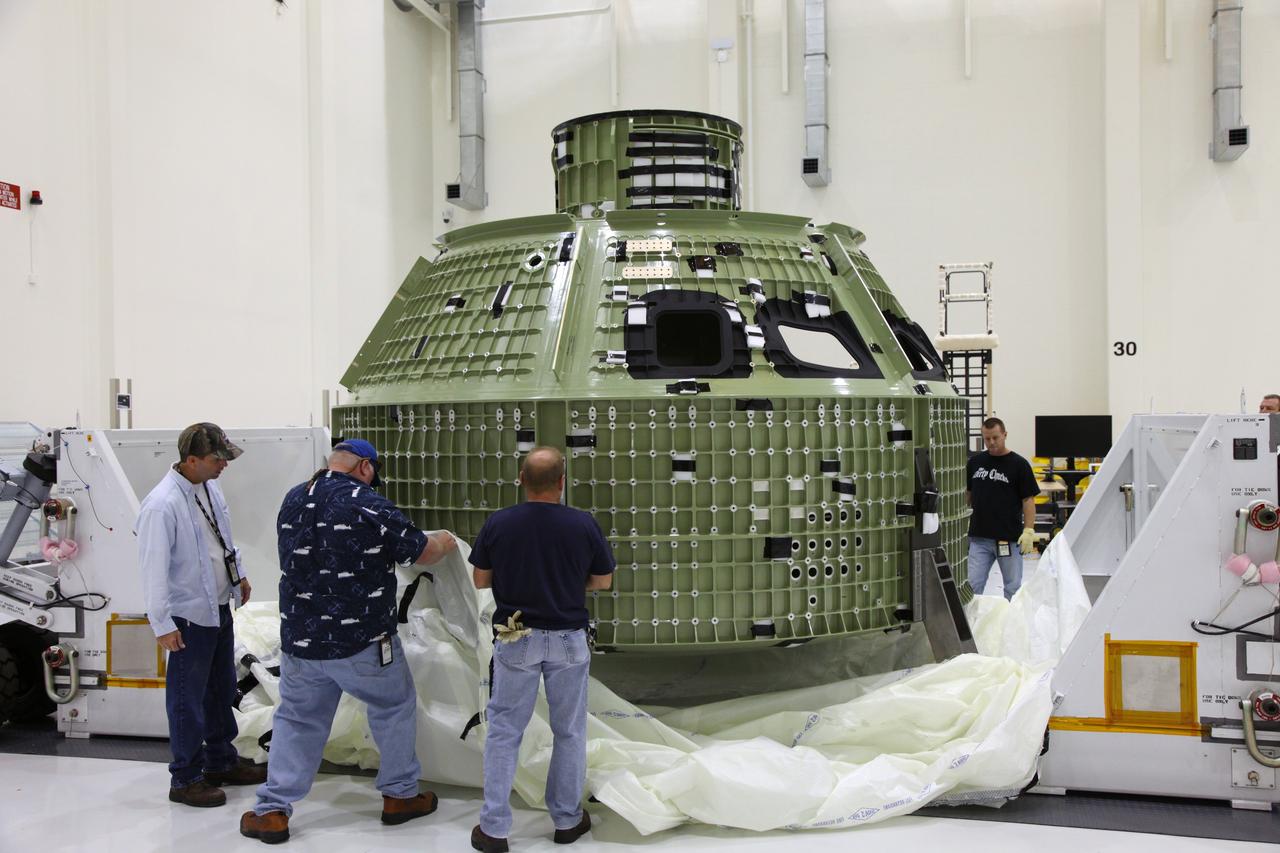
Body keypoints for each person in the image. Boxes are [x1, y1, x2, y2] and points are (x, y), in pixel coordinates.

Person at [240, 439, 457, 844]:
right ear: (365, 468)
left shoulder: (293, 498)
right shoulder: (370, 503)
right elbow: (422, 553)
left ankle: (271, 811)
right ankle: (399, 796)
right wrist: (445, 541)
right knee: (393, 708)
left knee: (297, 720)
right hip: (363, 639)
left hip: (301, 641)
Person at [468, 446, 615, 853]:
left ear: (521, 478)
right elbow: (602, 581)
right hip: (568, 638)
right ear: (562, 482)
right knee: (569, 731)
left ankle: (494, 828)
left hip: (517, 637)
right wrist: (568, 583)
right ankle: (567, 820)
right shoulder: (582, 524)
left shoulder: (500, 522)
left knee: (503, 732)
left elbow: (481, 579)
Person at [137, 422, 267, 808]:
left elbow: (222, 537)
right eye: (217, 459)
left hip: (217, 607)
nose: (224, 465)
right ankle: (186, 779)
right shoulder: (162, 505)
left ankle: (220, 761)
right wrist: (162, 624)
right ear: (190, 460)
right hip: (186, 617)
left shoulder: (208, 487)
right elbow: (152, 569)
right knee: (186, 700)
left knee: (220, 689)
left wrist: (238, 573)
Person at [966, 417, 1040, 600]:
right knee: (972, 586)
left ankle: (1011, 626)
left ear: (1005, 435)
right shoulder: (975, 463)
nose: (991, 443)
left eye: (995, 438)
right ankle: (971, 625)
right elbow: (968, 495)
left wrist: (1029, 530)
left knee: (1012, 588)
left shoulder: (1019, 465)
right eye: (987, 438)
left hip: (1008, 539)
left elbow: (1028, 500)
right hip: (979, 538)